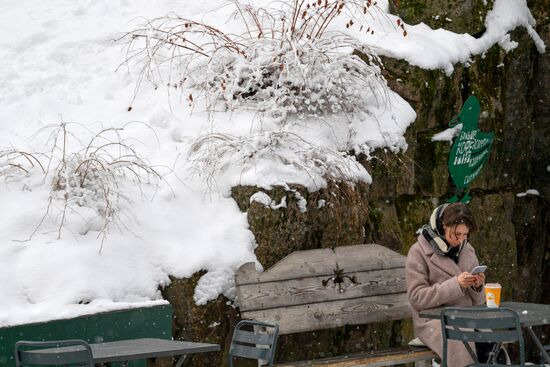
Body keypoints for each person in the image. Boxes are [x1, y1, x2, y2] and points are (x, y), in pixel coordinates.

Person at [406, 202, 485, 367]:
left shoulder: (467, 250)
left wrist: (477, 286)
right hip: (433, 320)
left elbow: (478, 303)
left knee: (492, 343)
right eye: (456, 234)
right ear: (442, 227)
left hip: (466, 317)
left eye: (465, 234)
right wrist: (456, 284)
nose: (461, 240)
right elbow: (417, 297)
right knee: (460, 340)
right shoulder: (418, 252)